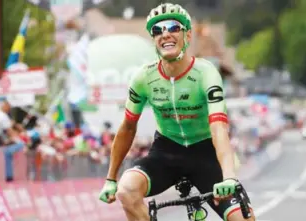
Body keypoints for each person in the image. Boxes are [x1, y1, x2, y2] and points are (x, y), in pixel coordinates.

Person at [98, 3, 255, 221]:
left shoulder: (205, 73)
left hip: (206, 152)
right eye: (157, 30)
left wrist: (228, 177)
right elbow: (127, 127)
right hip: (167, 150)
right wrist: (111, 179)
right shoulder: (144, 77)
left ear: (187, 35)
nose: (165, 34)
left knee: (242, 219)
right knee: (127, 191)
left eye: (173, 27)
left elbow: (219, 127)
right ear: (153, 39)